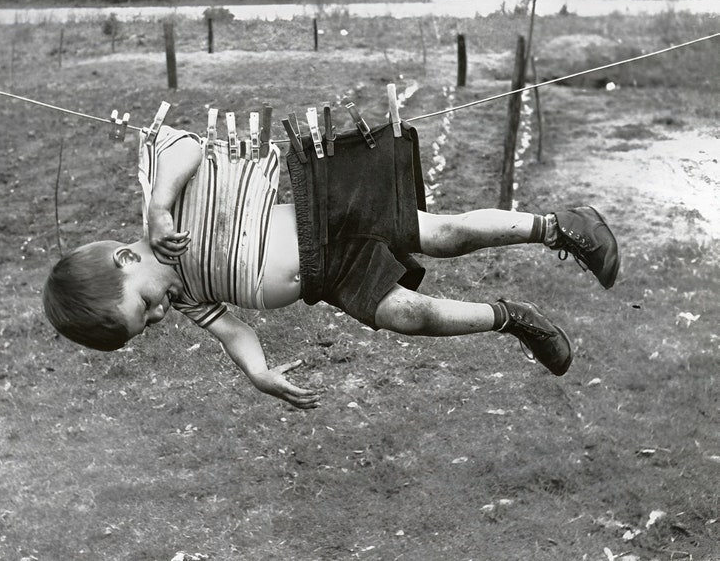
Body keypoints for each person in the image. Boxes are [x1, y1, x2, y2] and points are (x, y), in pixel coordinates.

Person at [43, 112, 619, 410]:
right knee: (406, 315)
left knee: (443, 233)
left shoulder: (162, 212)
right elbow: (233, 331)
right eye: (146, 325)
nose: (159, 315)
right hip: (329, 276)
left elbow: (183, 143)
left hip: (327, 214)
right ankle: (512, 317)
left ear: (126, 258)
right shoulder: (188, 295)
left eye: (143, 305)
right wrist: (259, 372)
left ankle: (561, 227)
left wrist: (162, 208)